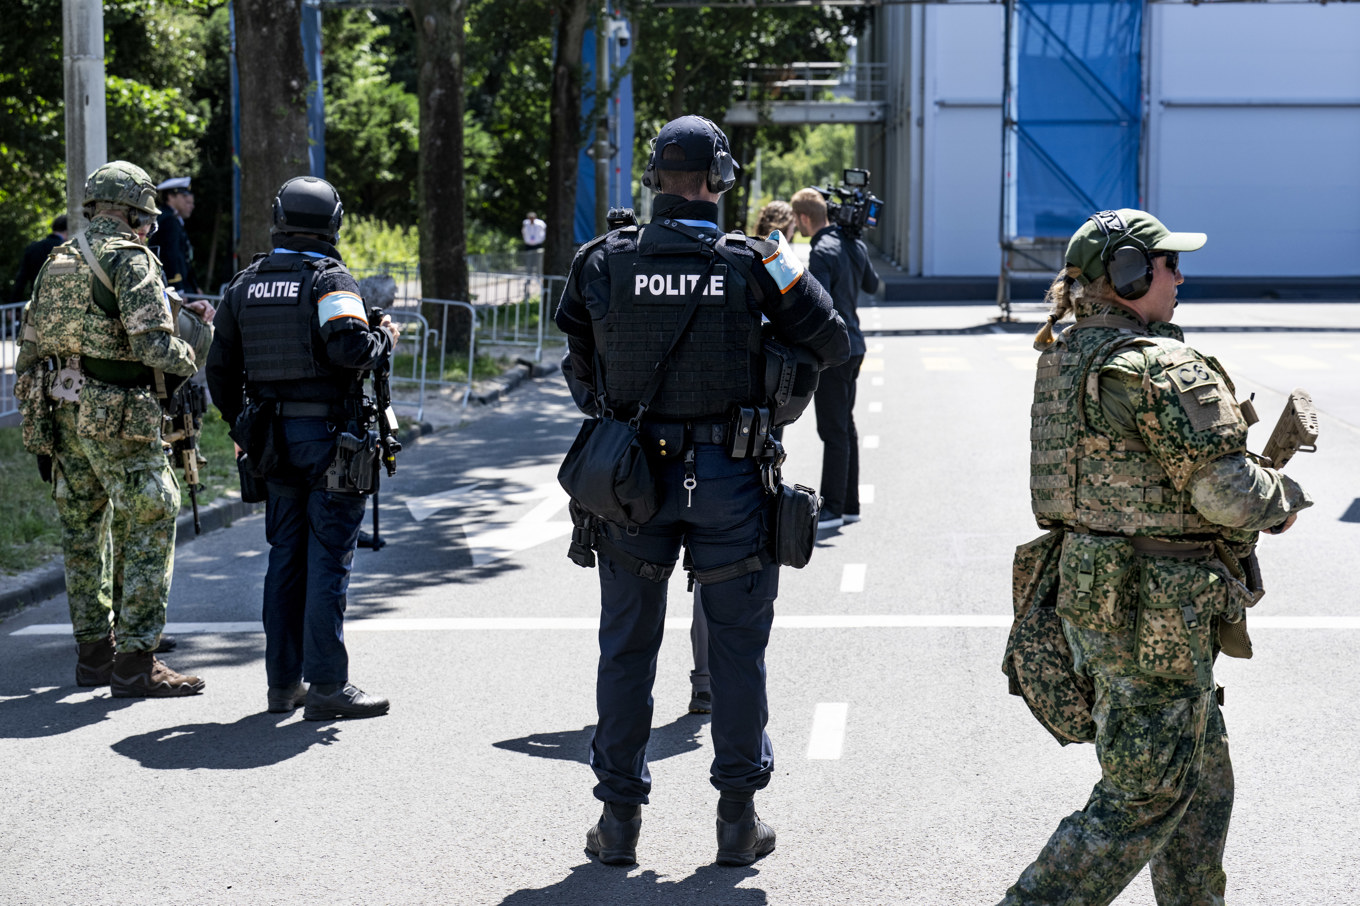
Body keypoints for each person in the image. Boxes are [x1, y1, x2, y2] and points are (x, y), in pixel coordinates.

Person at [555, 115, 849, 867]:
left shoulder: (601, 259)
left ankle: (618, 822)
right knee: (737, 654)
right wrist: (776, 391)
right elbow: (834, 340)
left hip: (629, 483)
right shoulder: (761, 260)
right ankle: (736, 822)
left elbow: (580, 365)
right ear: (719, 179)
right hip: (731, 475)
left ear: (654, 179)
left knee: (626, 648)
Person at [999, 209, 1313, 905]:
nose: (1179, 276)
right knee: (1141, 798)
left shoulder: (1068, 353)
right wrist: (1280, 497)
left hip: (1101, 593)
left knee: (1201, 785)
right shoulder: (1158, 365)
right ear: (1129, 275)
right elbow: (1226, 495)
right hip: (1153, 613)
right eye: (1168, 264)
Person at [206, 176, 397, 721]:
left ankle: (282, 685)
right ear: (333, 223)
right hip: (330, 442)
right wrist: (385, 337)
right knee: (328, 559)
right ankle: (329, 686)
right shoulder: (329, 278)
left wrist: (243, 427)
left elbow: (219, 372)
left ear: (278, 218)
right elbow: (348, 347)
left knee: (285, 559)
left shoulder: (245, 284)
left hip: (270, 441)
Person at [14, 161, 209, 696]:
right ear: (133, 213)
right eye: (145, 218)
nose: (147, 228)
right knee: (152, 515)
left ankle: (95, 657)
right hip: (118, 414)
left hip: (60, 410)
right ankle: (138, 662)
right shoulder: (131, 260)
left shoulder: (58, 260)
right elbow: (153, 346)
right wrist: (196, 346)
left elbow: (29, 349)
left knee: (82, 532)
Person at [687, 197, 799, 716]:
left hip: (654, 453)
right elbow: (826, 339)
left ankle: (702, 683)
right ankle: (739, 784)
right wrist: (780, 408)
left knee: (639, 620)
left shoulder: (718, 257)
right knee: (727, 583)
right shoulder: (760, 260)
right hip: (733, 452)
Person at [790, 187, 879, 531]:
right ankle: (850, 505)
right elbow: (871, 285)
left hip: (835, 352)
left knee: (833, 430)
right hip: (856, 347)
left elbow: (819, 306)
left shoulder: (822, 252)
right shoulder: (852, 243)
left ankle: (834, 508)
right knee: (846, 426)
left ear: (803, 218)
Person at [150, 176, 199, 295]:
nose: (186, 200)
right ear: (171, 196)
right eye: (183, 196)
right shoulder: (168, 220)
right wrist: (177, 287)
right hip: (172, 286)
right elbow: (171, 255)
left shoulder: (172, 218)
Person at [9, 215, 69, 303]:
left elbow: (21, 279)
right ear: (67, 230)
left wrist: (13, 303)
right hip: (59, 302)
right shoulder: (64, 248)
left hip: (36, 302)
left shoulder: (33, 247)